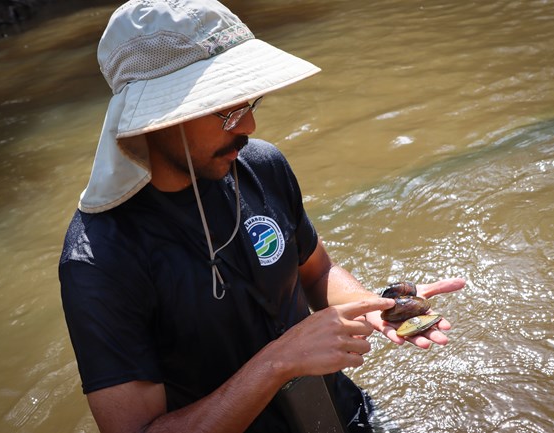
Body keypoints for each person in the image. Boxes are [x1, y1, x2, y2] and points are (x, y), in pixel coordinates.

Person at [58, 1, 465, 432]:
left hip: (340, 414)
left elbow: (316, 271)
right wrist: (281, 360)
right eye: (227, 110)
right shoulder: (100, 259)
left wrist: (374, 308)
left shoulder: (261, 165)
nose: (249, 125)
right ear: (154, 119)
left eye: (250, 101)